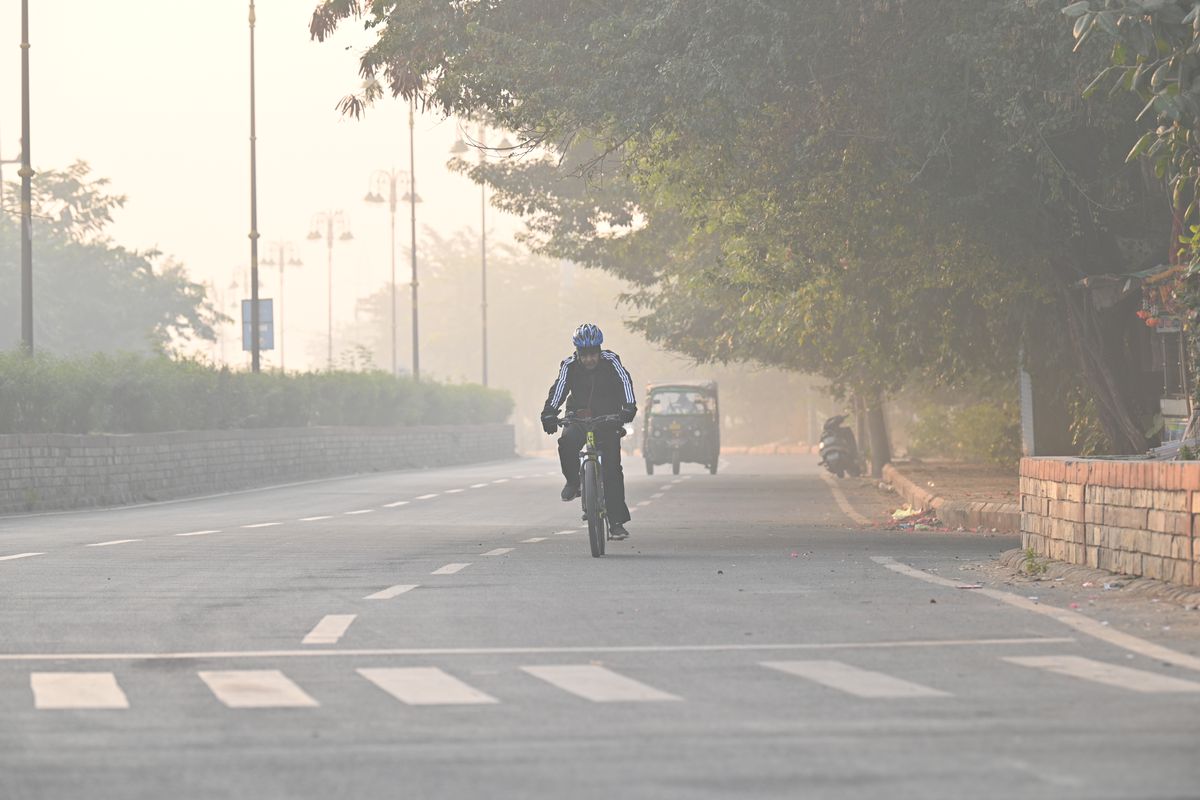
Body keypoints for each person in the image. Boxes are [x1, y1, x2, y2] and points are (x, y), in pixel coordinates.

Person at [540, 323, 638, 539]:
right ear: (578, 353)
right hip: (579, 416)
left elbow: (625, 382)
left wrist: (628, 407)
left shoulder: (611, 361)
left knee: (612, 470)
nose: (589, 359)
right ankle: (574, 482)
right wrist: (549, 413)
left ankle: (616, 522)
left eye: (593, 354)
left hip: (608, 418)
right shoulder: (569, 365)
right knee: (566, 443)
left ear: (599, 350)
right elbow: (559, 389)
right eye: (584, 355)